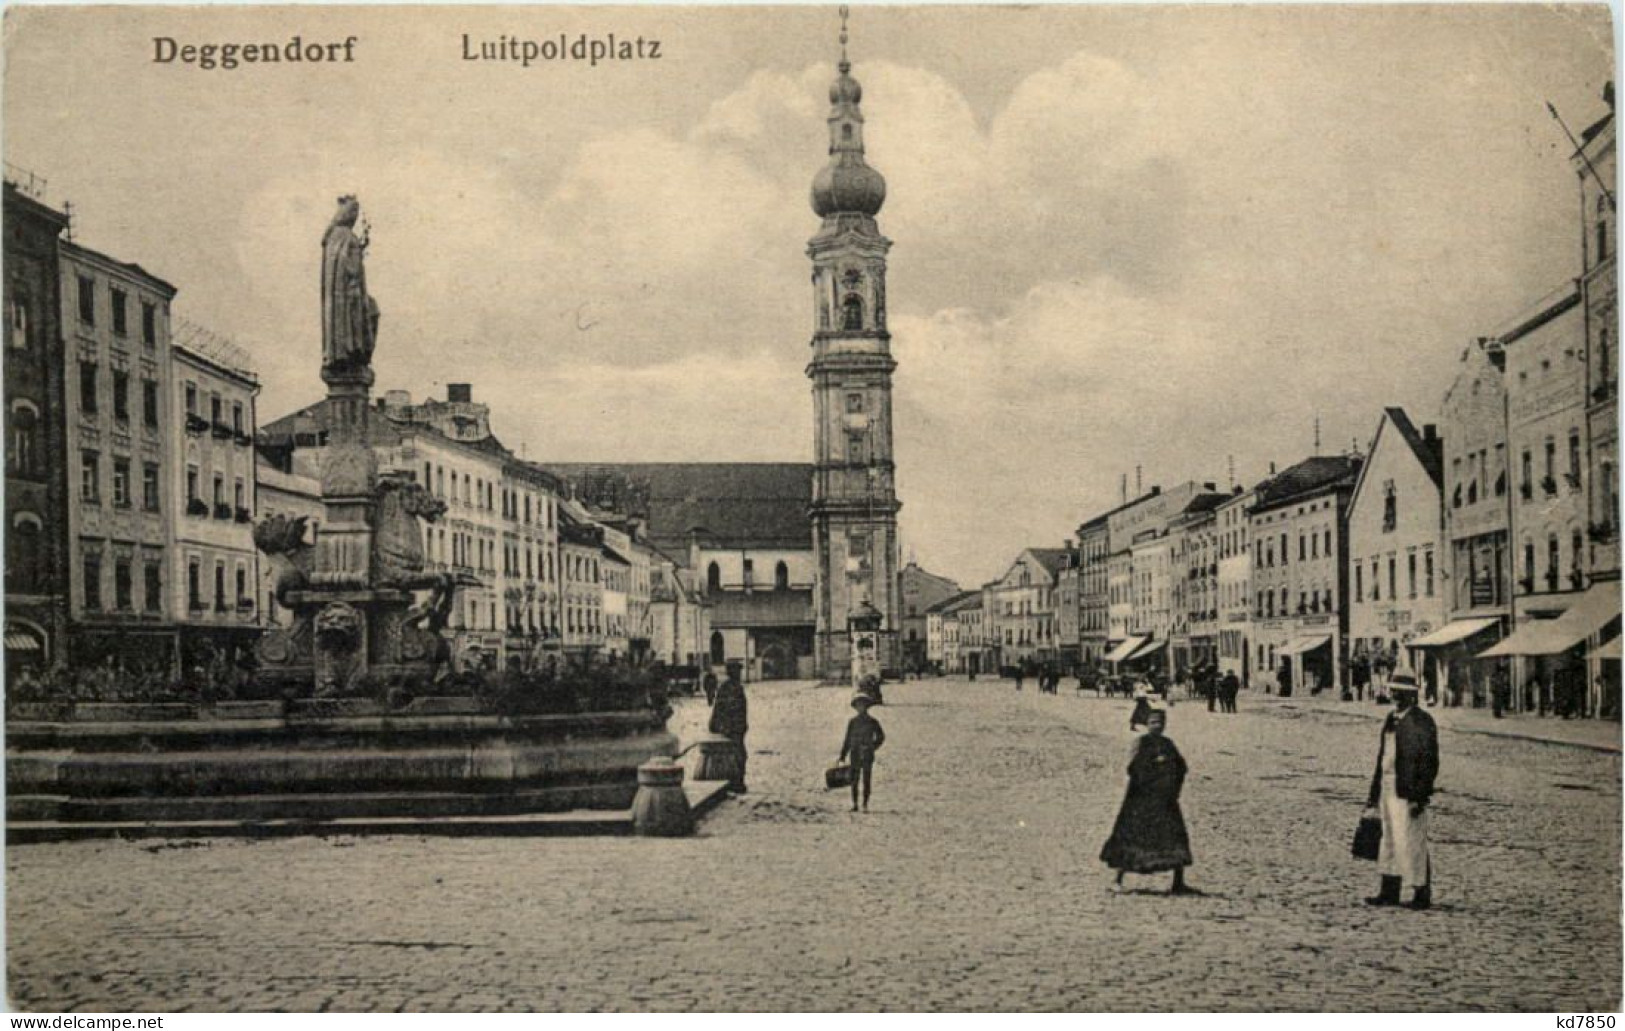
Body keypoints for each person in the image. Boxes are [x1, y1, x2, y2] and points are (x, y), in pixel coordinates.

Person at [1100, 704, 1195, 895]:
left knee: (1174, 837)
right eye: (1153, 723)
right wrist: (1154, 766)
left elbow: (1181, 766)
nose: (1157, 726)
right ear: (1147, 724)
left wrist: (1171, 779)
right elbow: (1133, 769)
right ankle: (1117, 880)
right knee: (1130, 837)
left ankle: (1178, 883)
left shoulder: (1168, 744)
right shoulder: (1140, 743)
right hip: (1140, 800)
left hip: (1165, 800)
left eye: (1160, 723)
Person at [1363, 672, 1439, 910]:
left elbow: (1429, 762)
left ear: (1411, 695)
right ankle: (1389, 890)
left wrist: (1420, 795)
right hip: (1387, 786)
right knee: (1389, 839)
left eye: (1399, 692)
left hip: (1407, 789)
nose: (1394, 696)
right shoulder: (1391, 719)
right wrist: (1373, 796)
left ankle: (1421, 892)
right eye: (1392, 691)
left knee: (1412, 841)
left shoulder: (1421, 721)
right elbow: (1382, 757)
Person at [839, 692, 886, 812]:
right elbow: (847, 739)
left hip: (867, 755)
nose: (860, 708)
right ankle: (855, 804)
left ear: (867, 707)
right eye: (858, 705)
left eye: (863, 705)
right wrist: (842, 756)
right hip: (854, 753)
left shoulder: (872, 722)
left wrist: (872, 747)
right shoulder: (852, 722)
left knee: (866, 779)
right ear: (855, 707)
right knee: (854, 780)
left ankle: (865, 804)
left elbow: (881, 737)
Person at [709, 662, 749, 793]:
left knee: (738, 755)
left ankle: (736, 782)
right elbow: (722, 709)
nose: (740, 674)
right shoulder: (730, 688)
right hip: (731, 728)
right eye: (738, 671)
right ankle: (735, 783)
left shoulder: (731, 687)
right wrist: (718, 725)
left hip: (736, 728)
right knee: (736, 755)